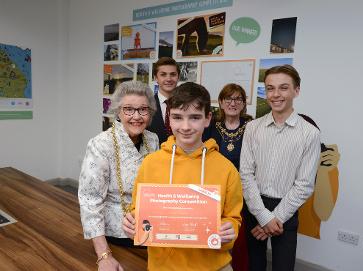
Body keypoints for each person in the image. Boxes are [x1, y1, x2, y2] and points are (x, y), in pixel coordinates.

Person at [123, 82, 243, 271]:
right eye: (178, 117)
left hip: (214, 266)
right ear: (169, 118)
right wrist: (132, 224)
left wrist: (229, 230)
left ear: (207, 118)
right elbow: (138, 211)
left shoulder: (227, 169)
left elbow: (233, 219)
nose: (185, 127)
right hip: (163, 267)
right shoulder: (151, 164)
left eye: (195, 117)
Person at [240, 65, 321, 271]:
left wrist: (275, 218)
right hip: (254, 205)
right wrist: (263, 216)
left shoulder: (309, 134)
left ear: (297, 90)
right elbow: (246, 175)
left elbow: (304, 185)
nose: (275, 95)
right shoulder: (252, 128)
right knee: (254, 265)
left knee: (283, 267)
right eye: (270, 88)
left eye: (283, 88)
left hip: (287, 209)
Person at [78, 81, 159, 271]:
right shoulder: (101, 144)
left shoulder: (153, 139)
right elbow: (90, 200)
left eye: (143, 110)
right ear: (118, 111)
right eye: (129, 109)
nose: (136, 116)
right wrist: (104, 256)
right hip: (116, 237)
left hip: (150, 231)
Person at [203, 83, 252, 271]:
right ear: (221, 103)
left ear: (243, 103)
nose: (233, 103)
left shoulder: (251, 127)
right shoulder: (211, 126)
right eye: (228, 99)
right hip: (215, 192)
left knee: (239, 240)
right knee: (216, 237)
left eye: (238, 99)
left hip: (242, 193)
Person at [148, 57, 180, 145]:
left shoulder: (187, 105)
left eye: (173, 74)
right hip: (154, 156)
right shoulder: (146, 105)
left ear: (178, 77)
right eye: (163, 74)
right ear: (156, 78)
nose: (168, 79)